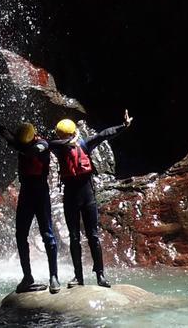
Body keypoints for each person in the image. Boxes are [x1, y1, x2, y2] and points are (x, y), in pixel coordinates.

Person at [50, 110, 133, 288]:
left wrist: (123, 126)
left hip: (87, 195)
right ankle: (78, 276)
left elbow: (103, 135)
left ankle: (100, 275)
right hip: (71, 197)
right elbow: (48, 144)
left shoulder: (84, 144)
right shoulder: (59, 147)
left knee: (93, 236)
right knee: (74, 238)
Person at [0, 116, 60, 294]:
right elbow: (2, 130)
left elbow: (35, 151)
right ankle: (27, 277)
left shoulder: (43, 144)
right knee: (20, 234)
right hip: (26, 194)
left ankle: (54, 276)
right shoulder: (21, 141)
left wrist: (19, 147)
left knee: (47, 233)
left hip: (40, 192)